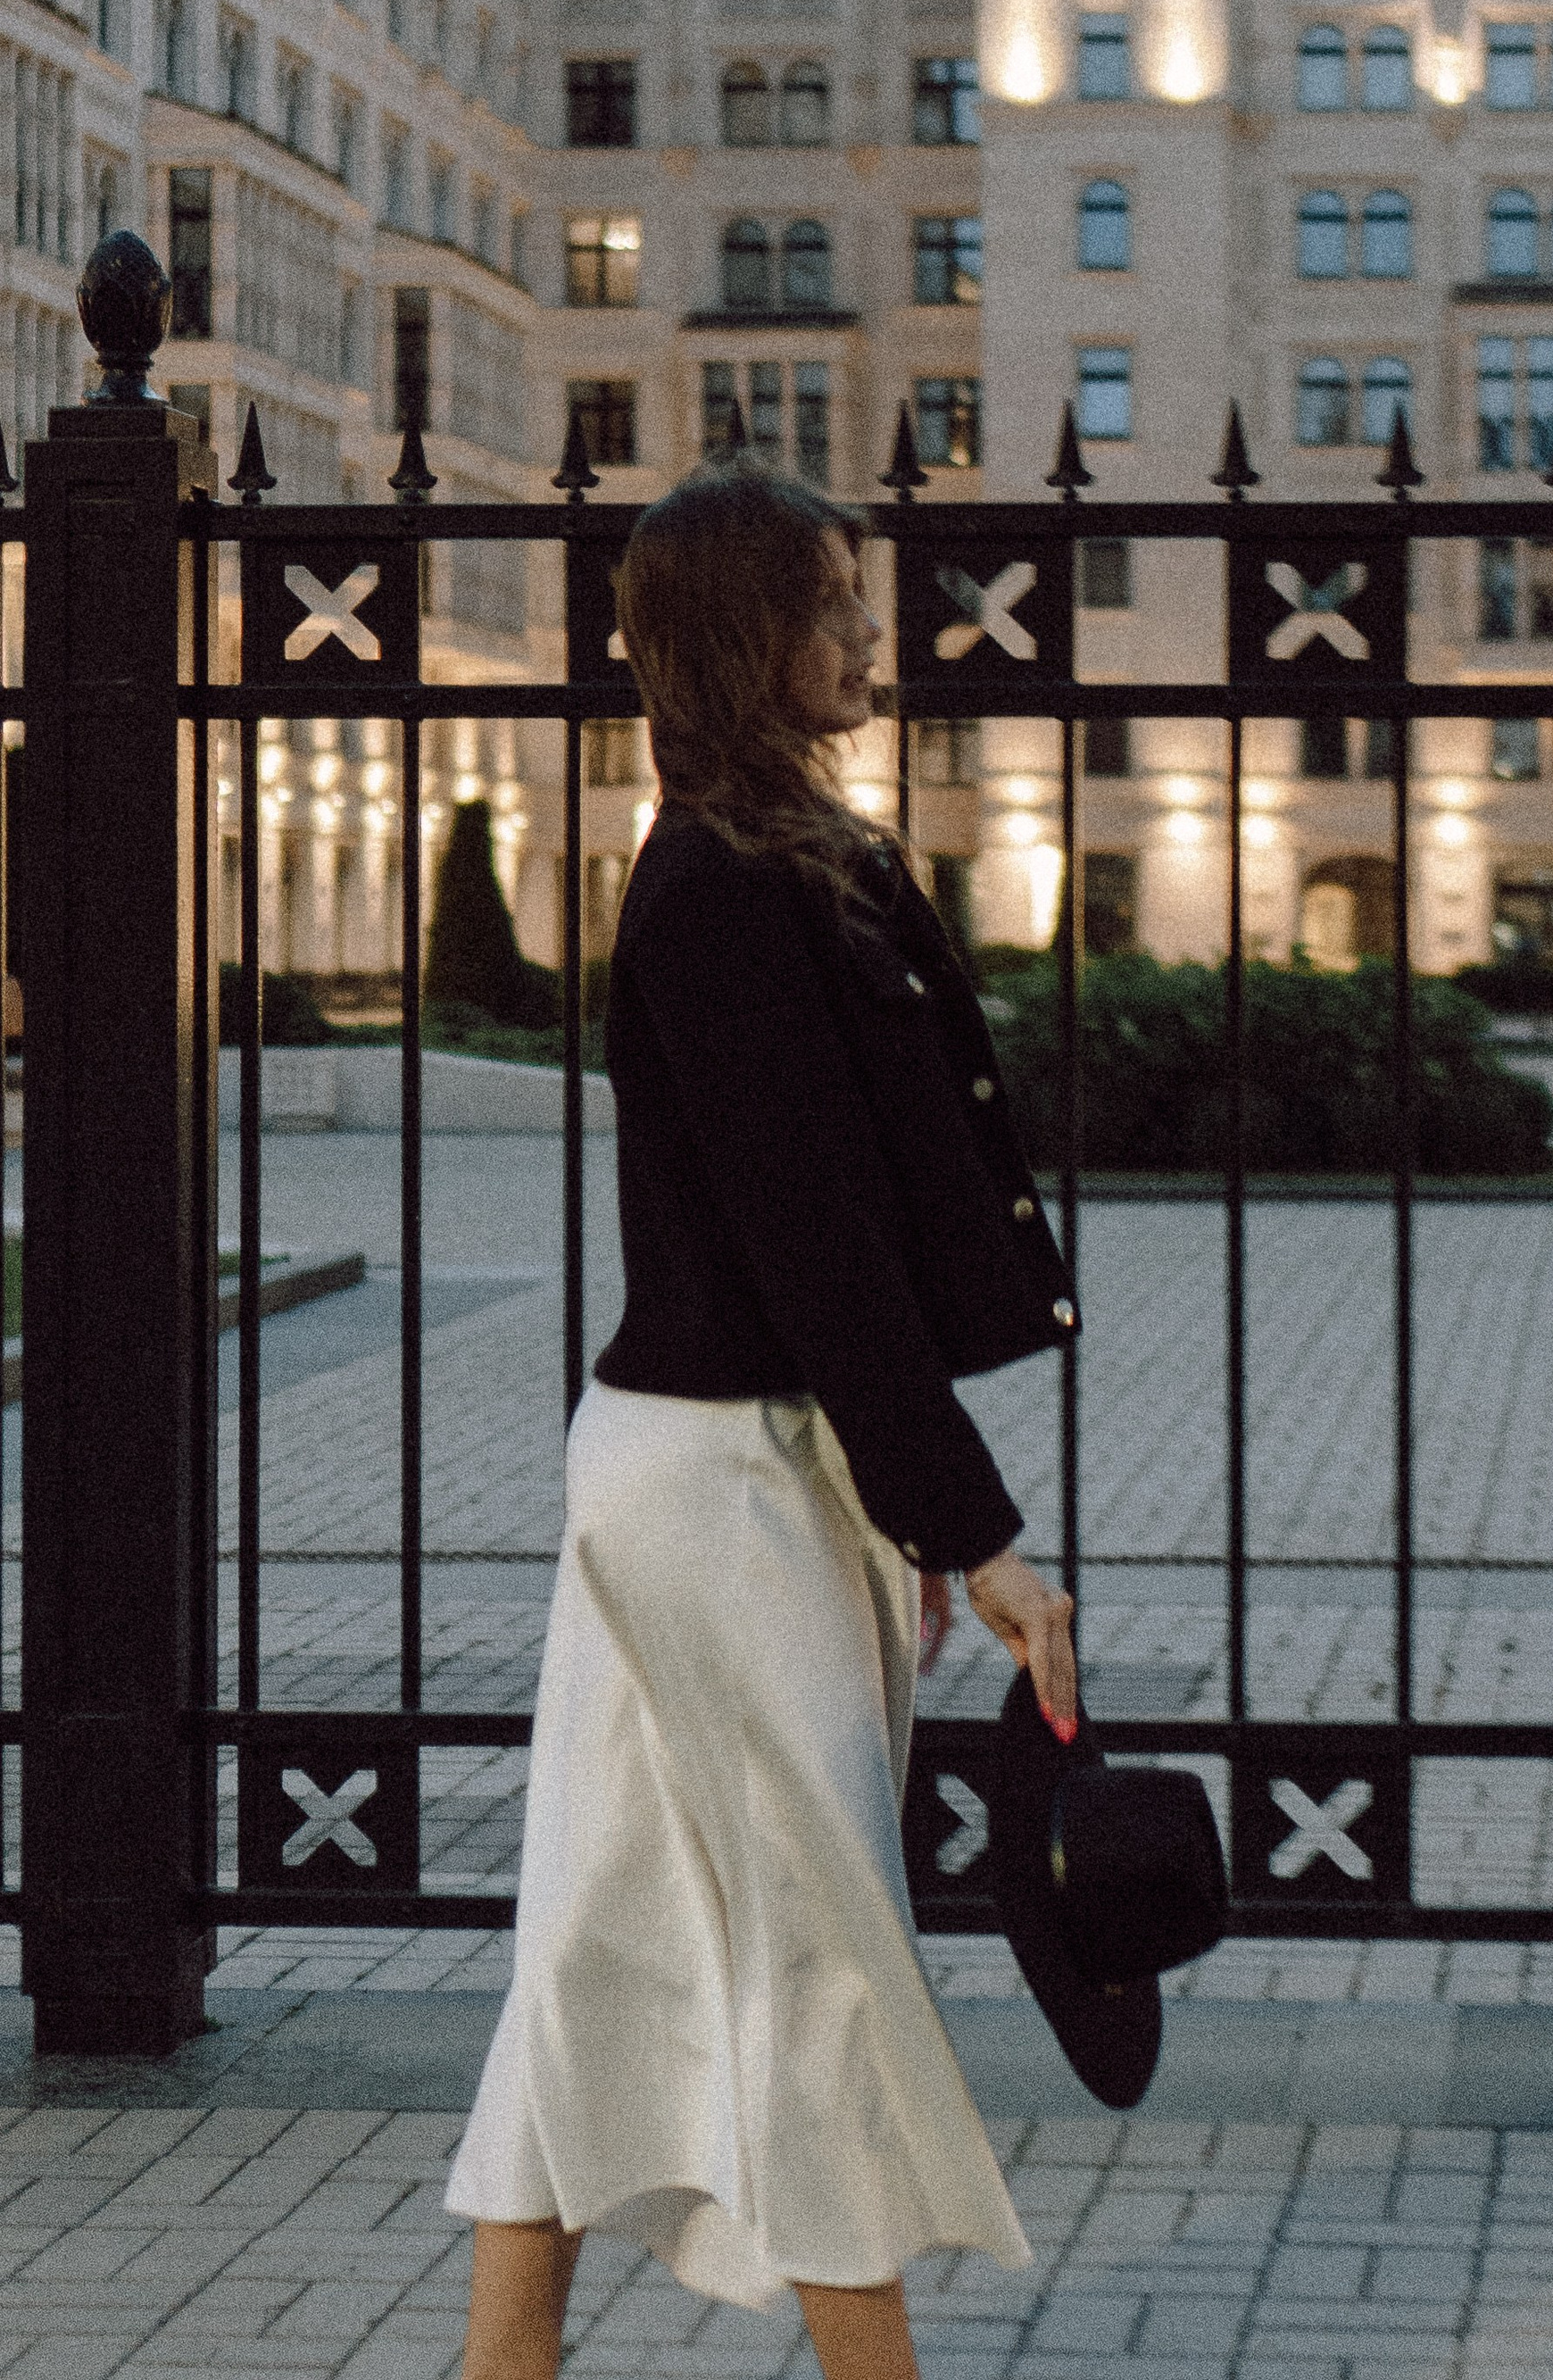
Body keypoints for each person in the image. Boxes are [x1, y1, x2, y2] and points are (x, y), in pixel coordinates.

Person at [448, 458, 1080, 2380]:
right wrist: (969, 1531)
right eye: (826, 602)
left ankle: (501, 2364)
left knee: (607, 1922)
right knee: (819, 1940)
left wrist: (913, 1508)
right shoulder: (720, 890)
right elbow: (821, 1251)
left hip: (736, 1469)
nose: (863, 634)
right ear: (740, 635)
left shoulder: (801, 854)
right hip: (715, 1479)